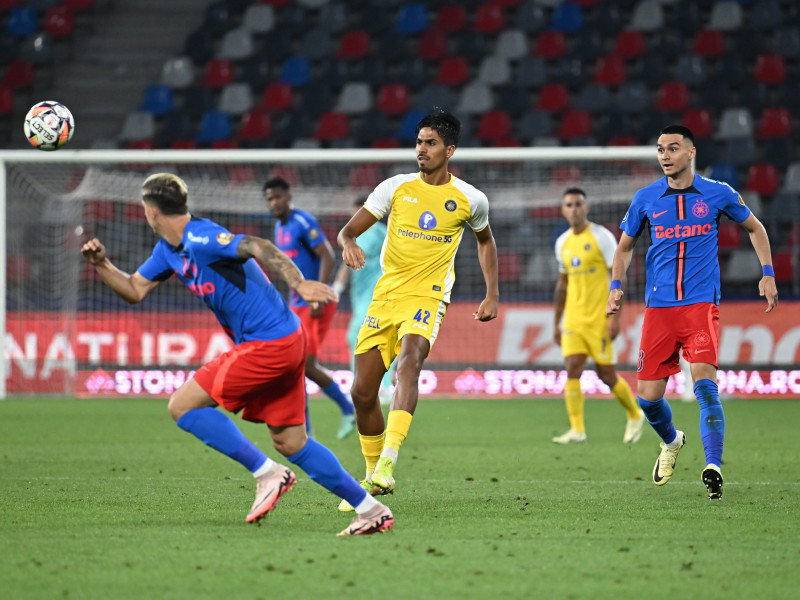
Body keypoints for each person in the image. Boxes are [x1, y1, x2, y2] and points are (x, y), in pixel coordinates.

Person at [81, 173, 392, 536]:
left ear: (150, 212)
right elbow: (135, 288)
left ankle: (268, 472)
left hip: (269, 343)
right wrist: (102, 264)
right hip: (285, 338)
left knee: (183, 405)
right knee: (291, 441)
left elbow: (259, 246)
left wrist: (299, 283)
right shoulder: (167, 250)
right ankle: (371, 509)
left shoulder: (202, 236)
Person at [336, 110, 499, 511]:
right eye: (419, 142)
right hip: (385, 296)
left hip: (427, 297)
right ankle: (375, 475)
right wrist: (348, 243)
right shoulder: (395, 187)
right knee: (361, 392)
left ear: (450, 150)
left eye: (430, 143)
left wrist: (492, 293)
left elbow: (485, 242)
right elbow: (348, 229)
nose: (421, 150)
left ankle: (388, 461)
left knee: (409, 364)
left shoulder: (470, 199)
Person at [607, 125, 778, 500]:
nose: (665, 155)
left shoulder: (718, 193)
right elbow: (623, 248)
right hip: (659, 310)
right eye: (659, 149)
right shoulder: (646, 198)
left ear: (691, 153)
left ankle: (713, 466)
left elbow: (756, 227)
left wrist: (767, 274)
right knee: (648, 400)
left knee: (704, 385)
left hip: (701, 306)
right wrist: (615, 287)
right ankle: (672, 441)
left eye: (672, 148)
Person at [264, 177, 356, 440]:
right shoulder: (279, 228)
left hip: (315, 303)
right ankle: (320, 422)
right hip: (297, 304)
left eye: (278, 197)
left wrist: (317, 294)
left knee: (301, 364)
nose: (274, 203)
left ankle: (323, 421)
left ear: (288, 196)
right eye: (270, 199)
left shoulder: (302, 221)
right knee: (299, 366)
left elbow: (327, 254)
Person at [552, 187, 645, 444]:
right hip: (573, 318)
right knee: (572, 368)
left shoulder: (602, 237)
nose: (574, 209)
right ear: (563, 210)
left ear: (587, 207)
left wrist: (615, 318)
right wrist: (556, 322)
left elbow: (618, 274)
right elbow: (562, 285)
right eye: (569, 205)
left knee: (606, 374)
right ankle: (577, 429)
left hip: (598, 319)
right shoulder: (562, 243)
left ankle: (635, 413)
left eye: (578, 204)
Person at [332, 197, 395, 406]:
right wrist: (337, 289)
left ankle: (377, 387)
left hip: (378, 294)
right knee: (369, 339)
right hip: (360, 296)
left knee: (359, 335)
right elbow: (347, 263)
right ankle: (370, 386)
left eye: (359, 214)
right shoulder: (355, 235)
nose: (355, 218)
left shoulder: (378, 231)